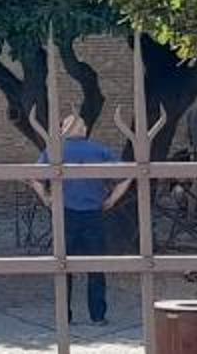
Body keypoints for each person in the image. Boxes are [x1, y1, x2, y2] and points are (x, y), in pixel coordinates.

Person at [29, 103, 128, 326]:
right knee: (96, 267)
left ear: (63, 130)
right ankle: (98, 315)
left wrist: (47, 199)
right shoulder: (99, 150)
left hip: (65, 214)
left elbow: (35, 177)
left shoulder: (54, 151)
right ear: (83, 130)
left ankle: (65, 316)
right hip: (94, 214)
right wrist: (112, 198)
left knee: (63, 267)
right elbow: (128, 175)